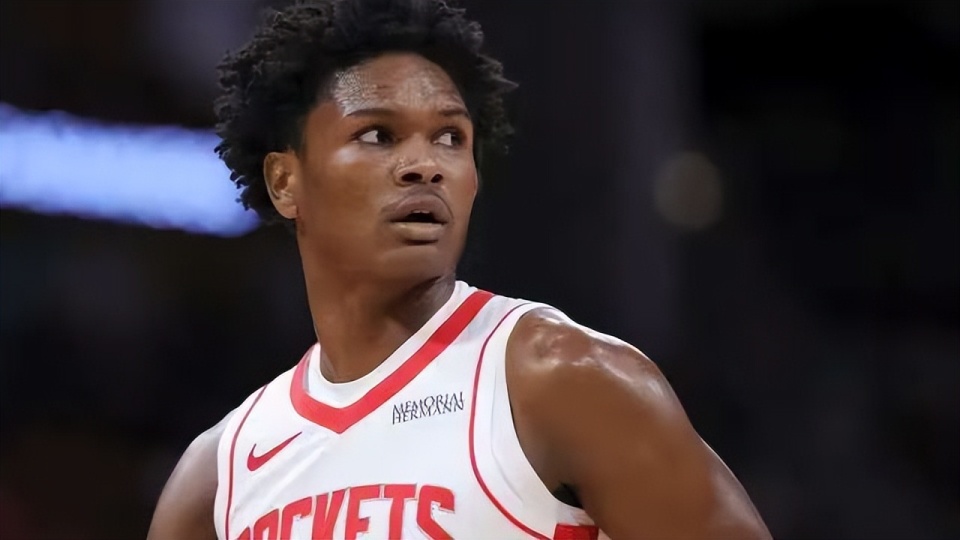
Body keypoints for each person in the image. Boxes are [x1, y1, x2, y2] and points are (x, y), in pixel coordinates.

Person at [147, 0, 772, 538]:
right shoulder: (220, 475)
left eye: (450, 137)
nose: (426, 165)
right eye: (378, 135)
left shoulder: (562, 381)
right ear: (286, 181)